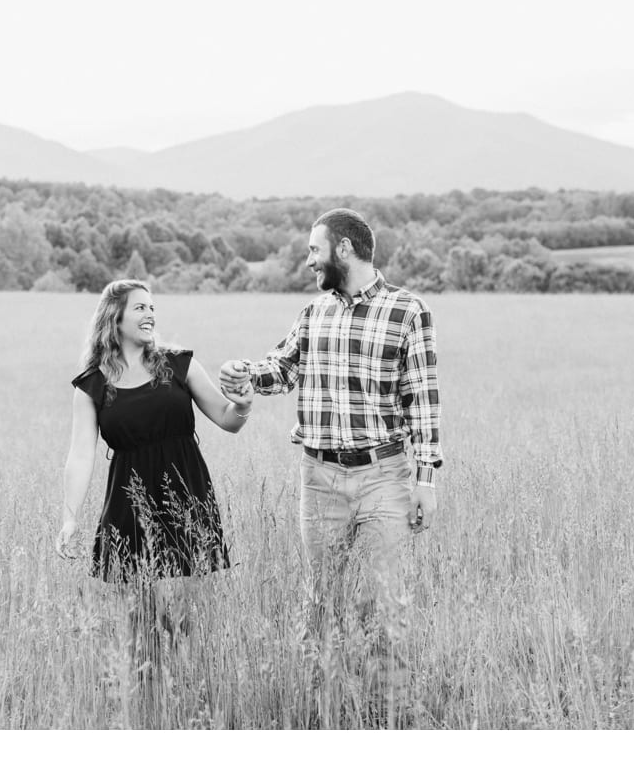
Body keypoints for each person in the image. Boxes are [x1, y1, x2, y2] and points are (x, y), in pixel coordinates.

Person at [220, 207, 441, 726]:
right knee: (321, 604)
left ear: (343, 249)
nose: (308, 260)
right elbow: (283, 367)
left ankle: (389, 721)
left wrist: (426, 479)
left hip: (383, 476)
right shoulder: (313, 313)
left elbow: (423, 400)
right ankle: (322, 720)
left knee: (386, 607)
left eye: (314, 250)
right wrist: (245, 373)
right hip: (318, 480)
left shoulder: (408, 310)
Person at [57, 279, 253, 721]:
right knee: (141, 622)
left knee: (183, 617)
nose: (150, 315)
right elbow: (79, 455)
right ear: (116, 318)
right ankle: (149, 710)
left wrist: (243, 405)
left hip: (188, 501)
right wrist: (69, 518)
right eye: (140, 308)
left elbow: (227, 418)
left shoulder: (177, 364)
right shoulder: (91, 385)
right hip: (129, 509)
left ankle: (189, 704)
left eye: (153, 308)